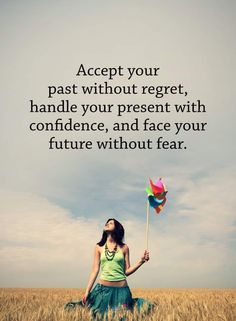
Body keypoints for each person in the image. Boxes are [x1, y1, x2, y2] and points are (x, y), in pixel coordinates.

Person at [64, 218, 156, 320]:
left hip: (122, 292)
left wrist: (141, 261)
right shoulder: (99, 247)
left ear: (117, 228)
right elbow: (95, 270)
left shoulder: (124, 248)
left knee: (122, 317)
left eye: (111, 223)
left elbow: (127, 271)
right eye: (107, 223)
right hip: (102, 292)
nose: (107, 224)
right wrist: (87, 291)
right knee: (98, 316)